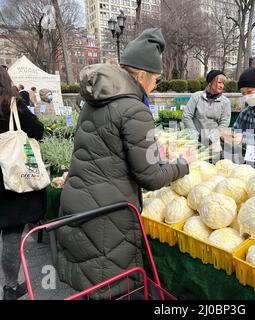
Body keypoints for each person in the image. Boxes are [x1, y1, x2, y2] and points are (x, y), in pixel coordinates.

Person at [57, 28, 189, 299]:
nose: (155, 86)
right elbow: (150, 177)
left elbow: (109, 151)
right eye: (156, 79)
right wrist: (181, 166)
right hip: (108, 215)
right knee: (112, 288)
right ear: (141, 75)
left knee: (89, 285)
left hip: (78, 203)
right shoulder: (134, 108)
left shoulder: (92, 102)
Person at [0, 67, 46, 300]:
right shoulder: (12, 105)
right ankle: (9, 286)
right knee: (11, 233)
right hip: (10, 180)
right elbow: (38, 130)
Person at [183, 70, 231, 152]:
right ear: (210, 82)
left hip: (213, 142)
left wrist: (211, 139)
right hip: (194, 140)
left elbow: (224, 123)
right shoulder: (196, 97)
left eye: (223, 83)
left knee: (213, 163)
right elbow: (186, 116)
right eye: (219, 82)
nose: (221, 86)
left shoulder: (225, 102)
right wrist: (195, 135)